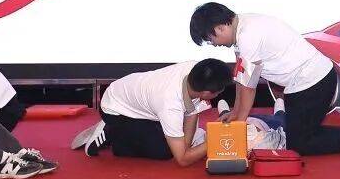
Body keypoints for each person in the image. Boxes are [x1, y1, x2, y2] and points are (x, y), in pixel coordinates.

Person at [189, 3, 340, 155]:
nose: (214, 45)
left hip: (313, 83)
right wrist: (235, 113)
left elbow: (249, 87)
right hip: (302, 85)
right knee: (299, 135)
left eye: (210, 39)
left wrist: (239, 123)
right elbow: (242, 80)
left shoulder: (248, 35)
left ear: (219, 28)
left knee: (300, 143)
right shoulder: (243, 28)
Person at [71, 59, 233, 166]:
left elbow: (192, 112)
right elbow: (182, 159)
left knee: (177, 140)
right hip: (115, 109)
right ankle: (111, 131)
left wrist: (188, 146)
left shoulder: (197, 70)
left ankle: (122, 132)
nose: (220, 93)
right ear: (206, 92)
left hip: (135, 100)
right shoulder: (170, 105)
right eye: (219, 91)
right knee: (165, 151)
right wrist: (215, 140)